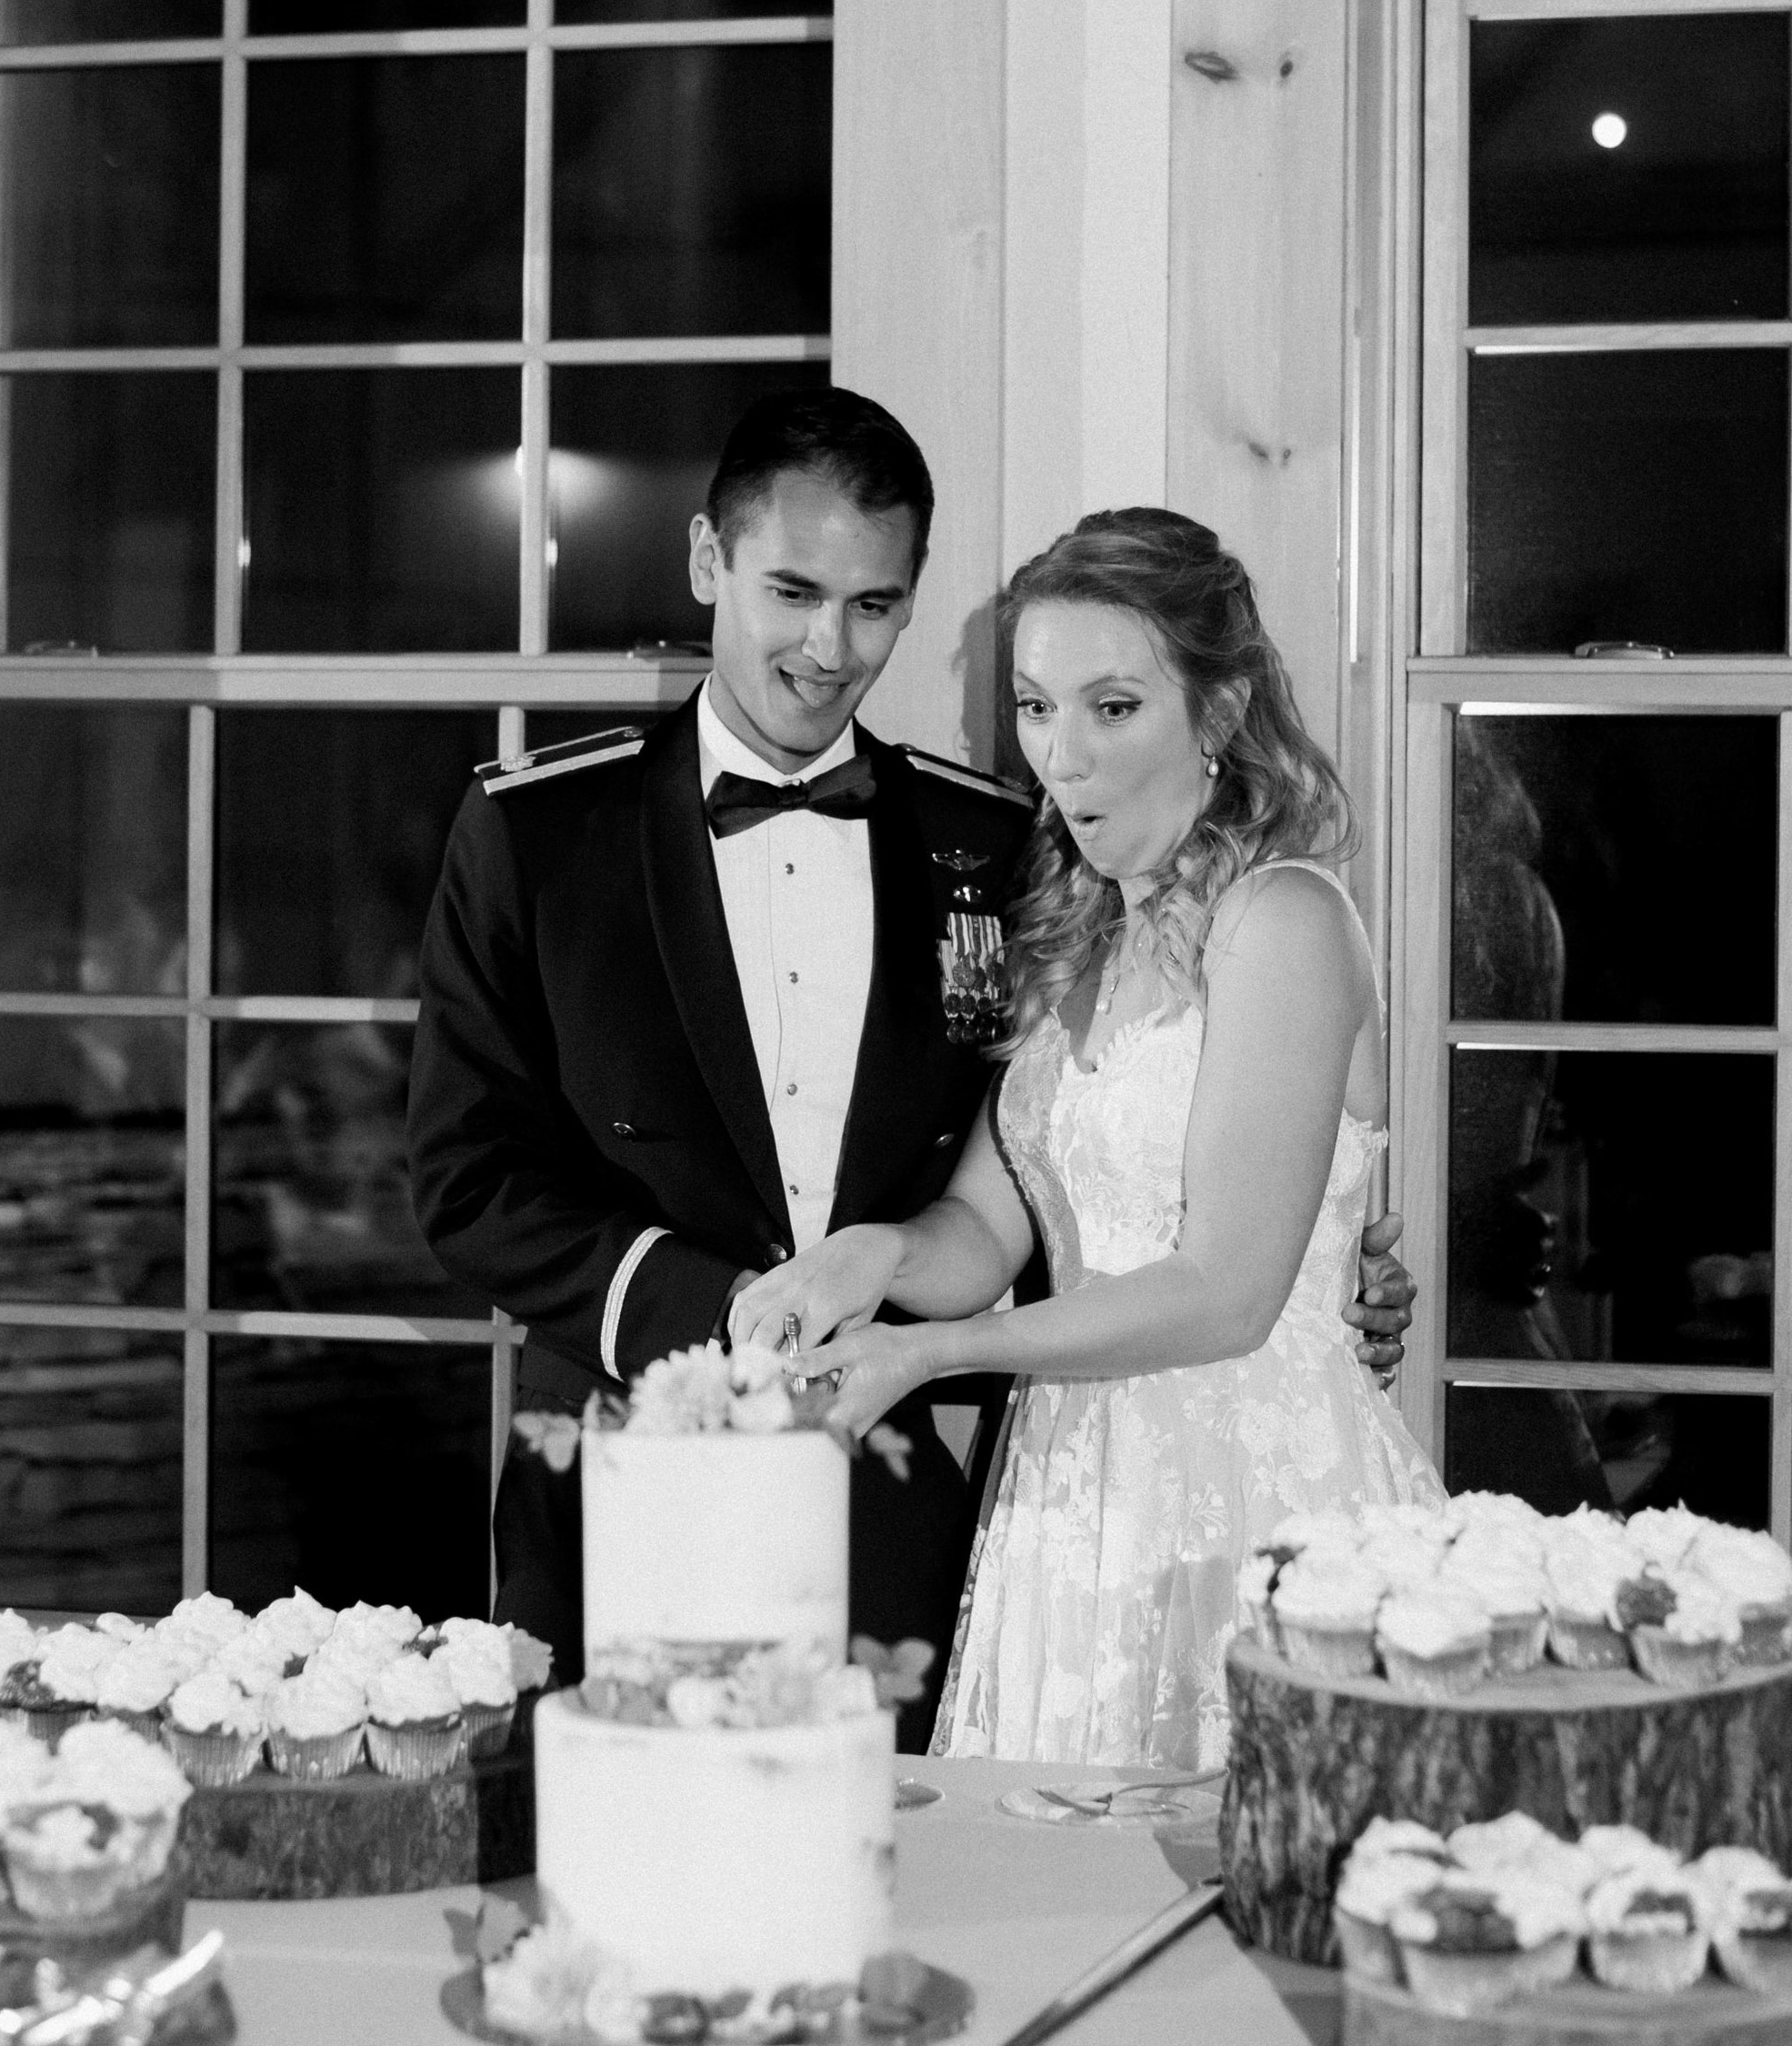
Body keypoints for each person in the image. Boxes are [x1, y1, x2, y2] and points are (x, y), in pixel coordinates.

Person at [409, 402, 1413, 1744]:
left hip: (926, 1490)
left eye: (875, 604)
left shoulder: (1000, 852)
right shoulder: (537, 831)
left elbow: (1221, 1253)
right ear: (709, 559)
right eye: (792, 591)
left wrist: (1335, 1267)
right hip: (626, 1467)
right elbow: (470, 1176)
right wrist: (792, 1295)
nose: (830, 648)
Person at [730, 504, 1446, 1772]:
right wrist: (873, 1261)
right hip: (1074, 1493)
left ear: (1218, 715)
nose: (1063, 755)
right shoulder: (1077, 935)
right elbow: (987, 1227)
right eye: (1037, 705)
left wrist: (937, 1352)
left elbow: (1226, 1293)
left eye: (1114, 707)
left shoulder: (1281, 920)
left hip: (1254, 1493)